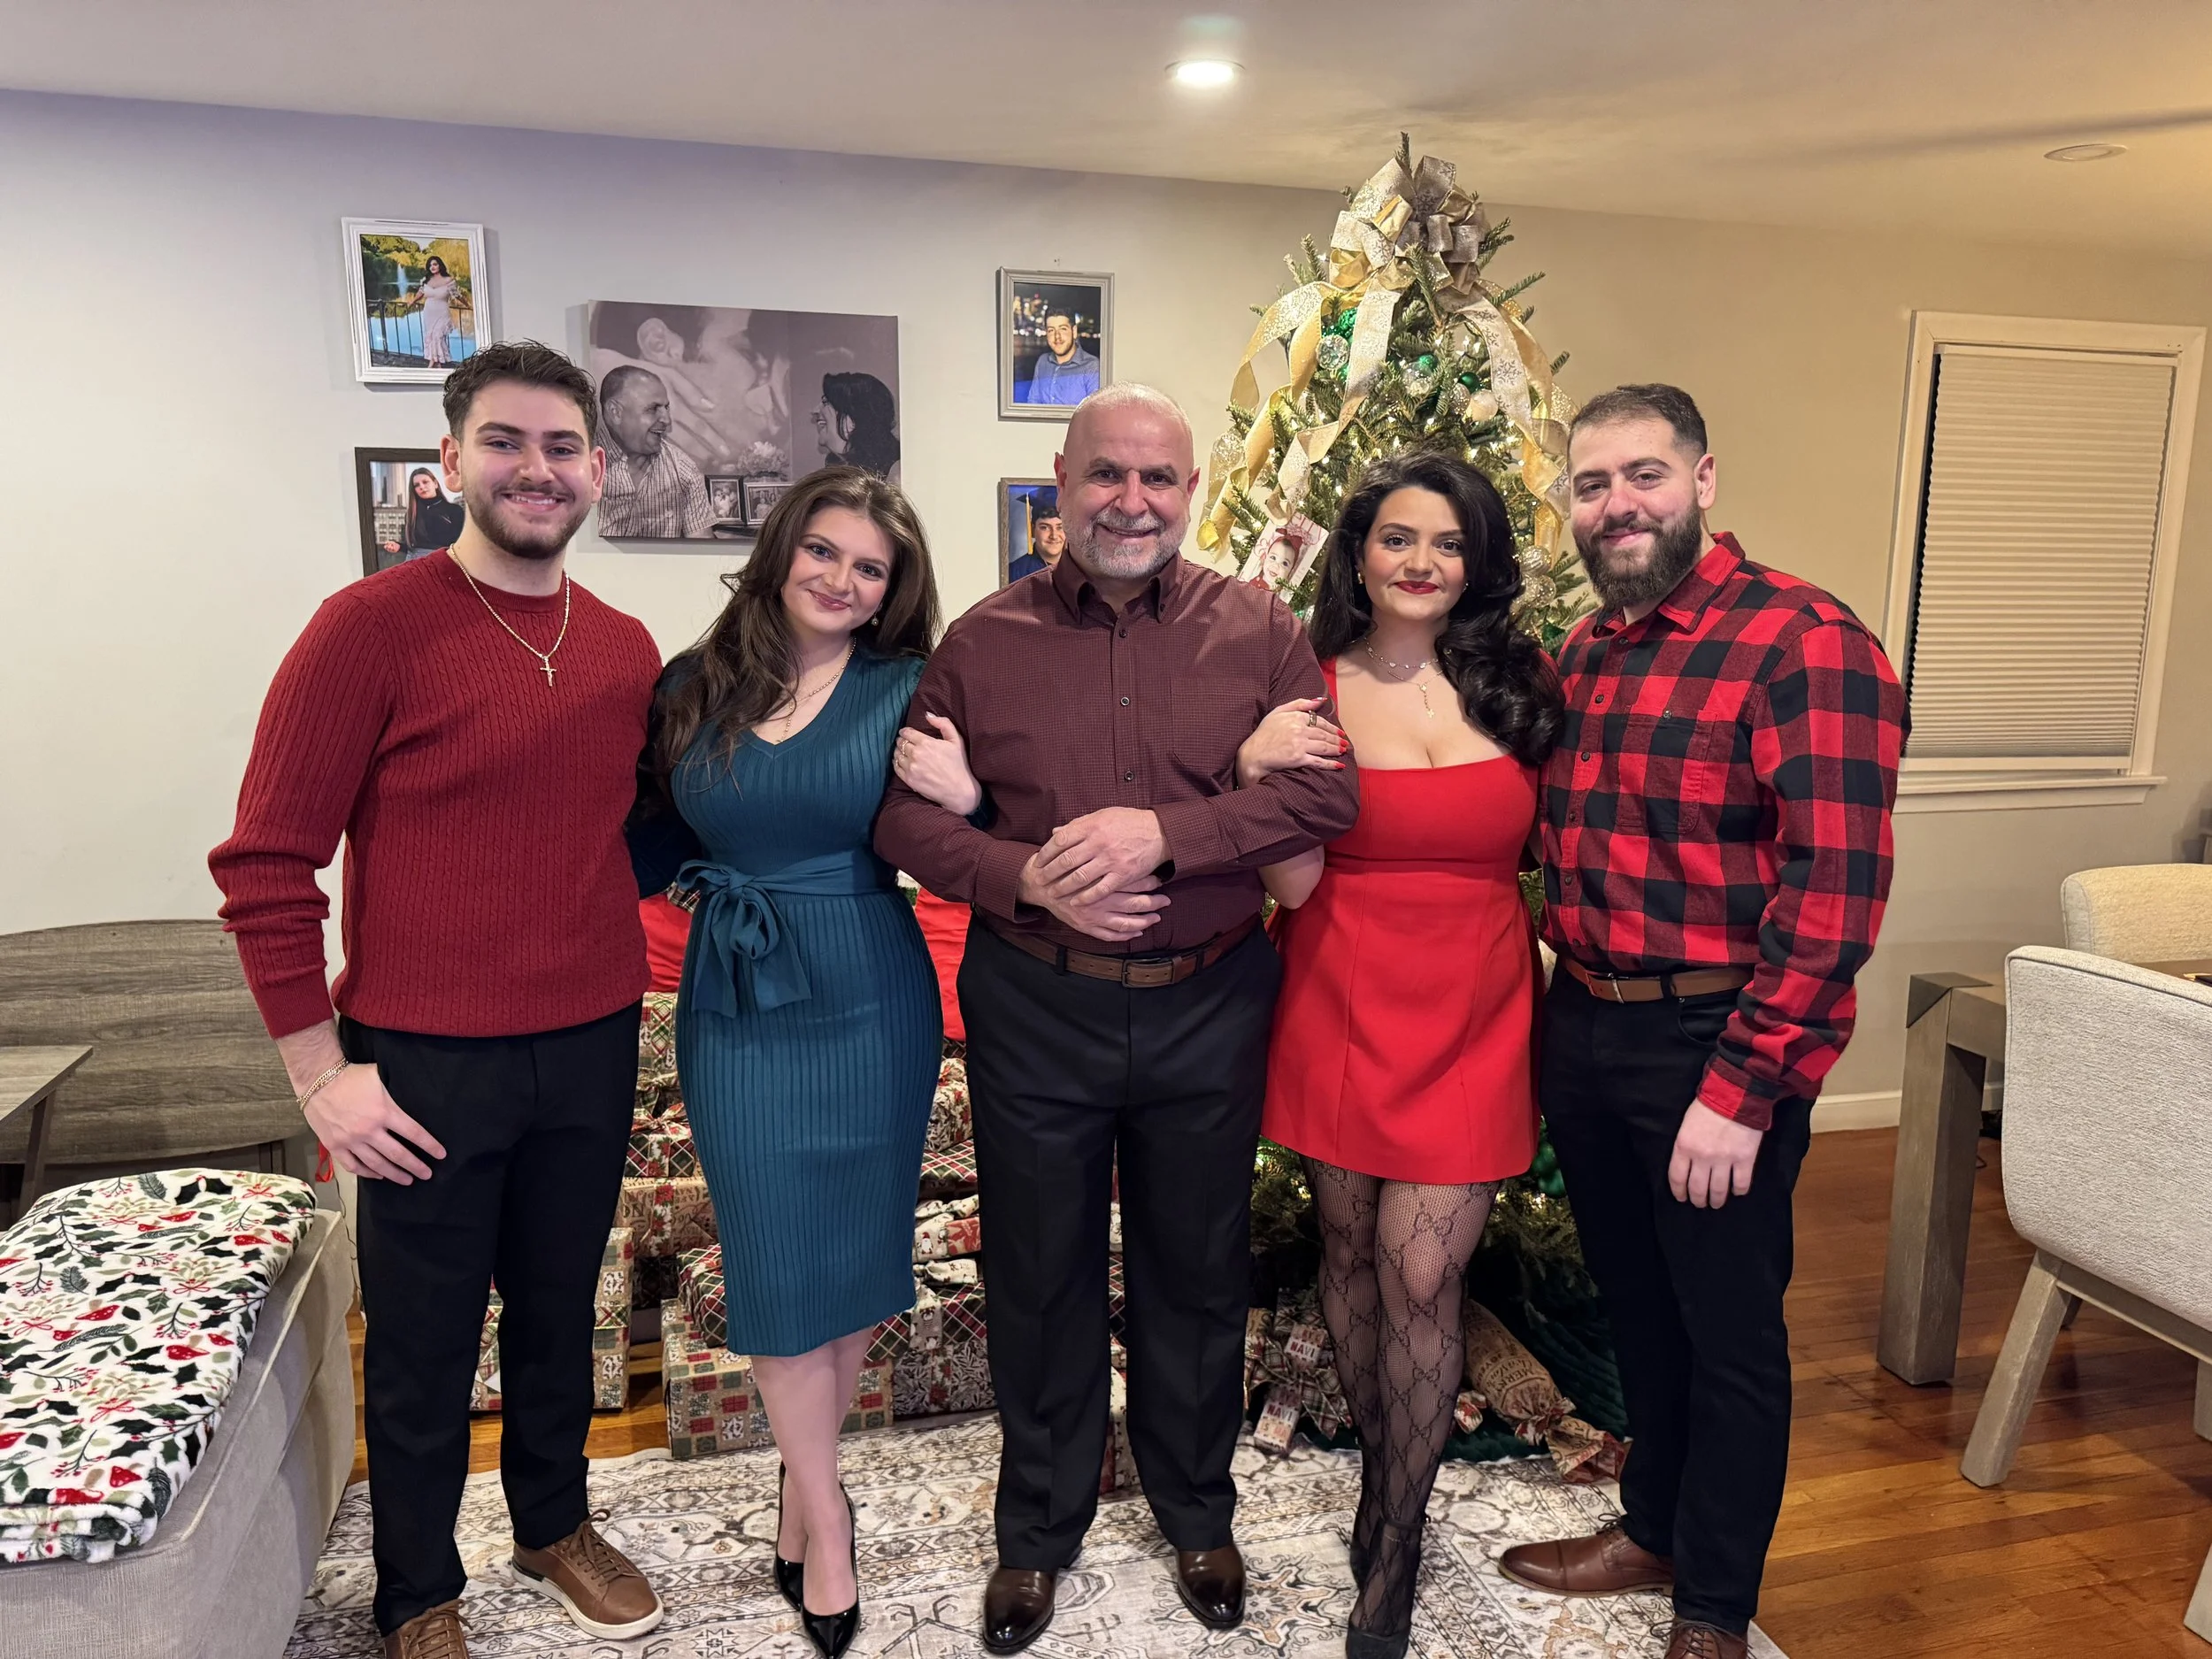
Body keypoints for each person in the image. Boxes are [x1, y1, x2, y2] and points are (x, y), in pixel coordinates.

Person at [875, 384, 1359, 1655]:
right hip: (1037, 1002)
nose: (1132, 501)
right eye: (1108, 476)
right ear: (1063, 477)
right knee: (1037, 1272)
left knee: (1198, 1270)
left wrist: (1172, 832)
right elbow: (903, 819)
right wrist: (1019, 869)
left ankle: (1199, 1508)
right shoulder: (983, 640)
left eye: (1160, 479)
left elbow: (1328, 796)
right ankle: (1036, 1529)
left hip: (1210, 994)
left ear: (1190, 489)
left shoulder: (1258, 627)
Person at [208, 342, 666, 1659]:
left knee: (558, 1300)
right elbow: (263, 863)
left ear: (596, 469)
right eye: (508, 442)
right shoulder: (369, 628)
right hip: (421, 1057)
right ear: (453, 459)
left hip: (591, 1038)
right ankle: (415, 1584)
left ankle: (552, 1518)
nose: (539, 467)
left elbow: (630, 831)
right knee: (421, 1332)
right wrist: (318, 1070)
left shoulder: (625, 647)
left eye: (564, 446)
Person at [1497, 385, 1905, 1659]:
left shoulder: (1804, 640)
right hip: (1591, 1021)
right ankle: (1654, 1523)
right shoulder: (1584, 652)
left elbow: (1834, 889)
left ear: (1704, 478)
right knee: (1638, 1303)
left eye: (1644, 475)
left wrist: (1744, 1083)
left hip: (1715, 1038)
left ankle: (1716, 1601)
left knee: (1728, 1328)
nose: (1616, 503)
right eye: (1591, 482)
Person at [628, 465, 972, 1659]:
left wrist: (969, 793)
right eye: (822, 550)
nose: (840, 577)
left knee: (851, 1253)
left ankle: (798, 1478)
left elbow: (966, 823)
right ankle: (826, 1511)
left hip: (872, 988)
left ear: (890, 592)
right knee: (774, 1255)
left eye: (868, 566)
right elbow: (634, 835)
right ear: (782, 550)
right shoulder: (691, 685)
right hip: (736, 995)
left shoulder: (911, 687)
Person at [1236, 451, 1563, 1659]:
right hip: (1336, 990)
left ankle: (1401, 1532)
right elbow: (1288, 873)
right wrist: (1250, 774)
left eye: (1449, 543)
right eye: (1398, 539)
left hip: (1475, 1005)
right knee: (1349, 1251)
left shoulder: (1524, 684)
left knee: (1424, 1277)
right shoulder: (1304, 689)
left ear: (1477, 564)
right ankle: (1383, 1475)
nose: (1423, 563)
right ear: (1359, 552)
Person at [598, 365, 713, 539]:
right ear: (615, 412)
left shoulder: (684, 471)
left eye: (666, 408)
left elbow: (702, 553)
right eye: (653, 409)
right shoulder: (579, 467)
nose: (666, 420)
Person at [812, 372, 901, 480]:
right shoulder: (836, 466)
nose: (815, 411)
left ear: (853, 420)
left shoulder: (898, 473)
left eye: (825, 402)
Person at [380, 465, 467, 565]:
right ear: (414, 490)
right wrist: (398, 546)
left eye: (425, 482)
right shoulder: (411, 514)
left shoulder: (454, 510)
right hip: (414, 564)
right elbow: (411, 547)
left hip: (443, 564)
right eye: (417, 485)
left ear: (435, 484)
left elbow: (461, 545)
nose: (421, 487)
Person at [1019, 309, 1100, 405]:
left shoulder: (1091, 366)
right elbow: (1033, 402)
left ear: (1074, 331)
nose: (1057, 336)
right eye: (1051, 330)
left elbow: (1095, 412)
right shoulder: (1043, 362)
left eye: (1063, 329)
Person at [418, 254, 459, 369]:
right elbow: (420, 293)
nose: (432, 267)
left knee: (438, 336)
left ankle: (434, 362)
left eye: (435, 264)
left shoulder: (448, 280)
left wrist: (469, 305)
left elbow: (456, 295)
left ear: (440, 265)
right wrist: (412, 302)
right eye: (430, 265)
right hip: (429, 311)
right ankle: (437, 362)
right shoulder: (425, 280)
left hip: (442, 311)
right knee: (431, 336)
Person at [1006, 504, 1063, 581]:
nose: (1054, 536)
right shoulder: (1014, 572)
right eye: (1044, 527)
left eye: (1060, 527)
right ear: (1032, 530)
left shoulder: (1080, 568)